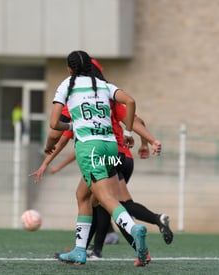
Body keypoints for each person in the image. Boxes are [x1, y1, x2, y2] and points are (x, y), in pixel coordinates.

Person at [44, 50, 149, 266]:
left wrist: (72, 126)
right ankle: (79, 251)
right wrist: (128, 133)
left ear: (69, 68)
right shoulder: (103, 85)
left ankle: (133, 229)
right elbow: (130, 101)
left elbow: (54, 124)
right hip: (110, 146)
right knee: (83, 195)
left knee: (105, 198)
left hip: (89, 148)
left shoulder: (67, 85)